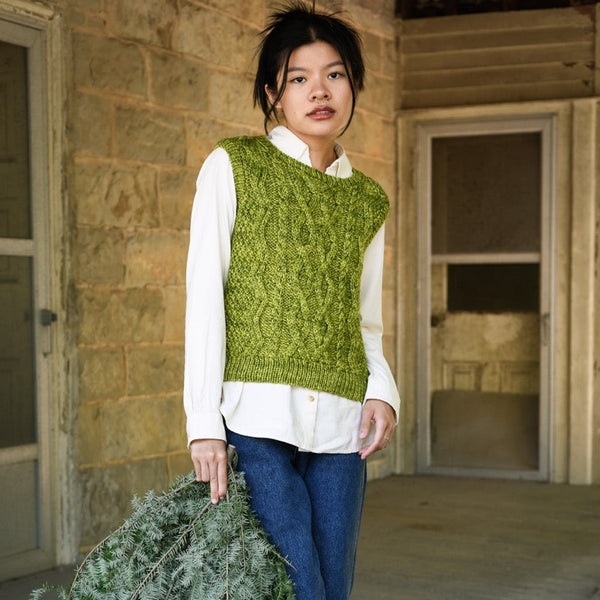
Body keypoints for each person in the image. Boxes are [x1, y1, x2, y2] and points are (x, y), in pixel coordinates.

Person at [183, 2, 400, 599]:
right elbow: (205, 298)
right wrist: (203, 425)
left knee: (333, 587)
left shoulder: (368, 200)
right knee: (294, 586)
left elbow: (366, 320)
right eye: (298, 78)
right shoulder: (233, 166)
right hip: (253, 423)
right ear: (272, 94)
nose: (320, 91)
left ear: (352, 85)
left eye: (335, 74)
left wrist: (382, 391)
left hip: (343, 428)